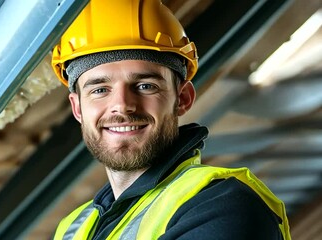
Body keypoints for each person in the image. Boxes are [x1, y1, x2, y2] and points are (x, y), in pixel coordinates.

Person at [50, 0, 291, 239]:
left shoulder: (222, 207)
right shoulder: (71, 229)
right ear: (77, 108)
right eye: (100, 90)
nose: (121, 105)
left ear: (182, 98)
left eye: (145, 86)